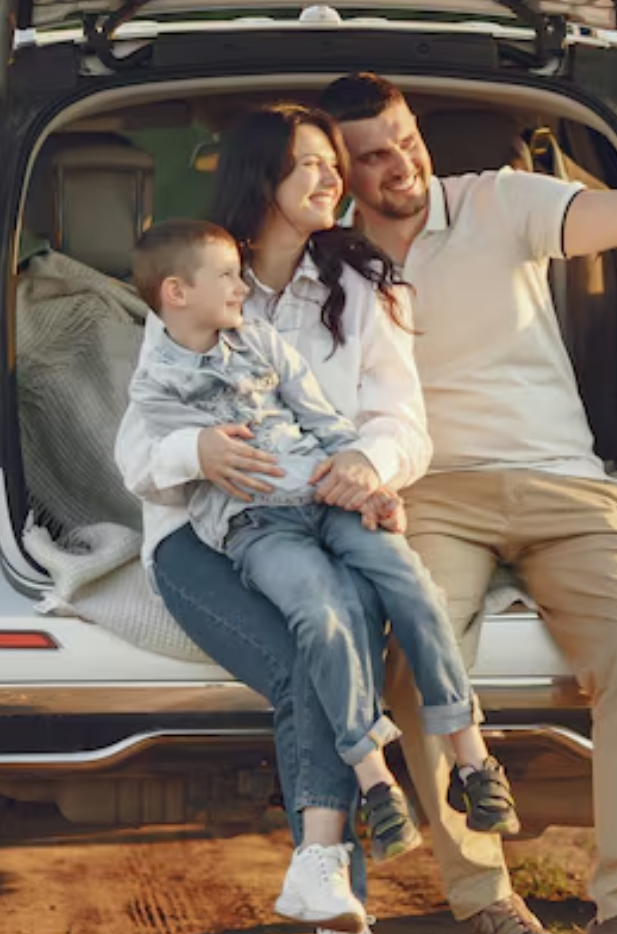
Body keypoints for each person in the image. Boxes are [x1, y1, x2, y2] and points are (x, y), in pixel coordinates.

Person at [115, 104, 558, 934]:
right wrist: (193, 455)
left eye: (332, 164)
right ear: (261, 181)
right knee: (308, 654)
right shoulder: (201, 280)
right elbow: (136, 452)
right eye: (311, 165)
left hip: (328, 504)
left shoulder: (365, 284)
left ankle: (334, 886)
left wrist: (367, 463)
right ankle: (345, 931)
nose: (333, 179)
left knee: (349, 618)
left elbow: (402, 422)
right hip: (208, 534)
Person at [320, 72, 617, 934]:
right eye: (373, 156)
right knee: (422, 662)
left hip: (564, 486)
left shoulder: (500, 200)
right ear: (340, 169)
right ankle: (489, 905)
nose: (401, 166)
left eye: (406, 139)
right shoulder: (329, 259)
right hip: (432, 494)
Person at [127, 218, 521, 874]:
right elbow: (150, 463)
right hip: (257, 526)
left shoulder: (259, 341)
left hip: (327, 496)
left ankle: (474, 761)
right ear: (176, 292)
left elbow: (323, 421)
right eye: (226, 276)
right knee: (322, 615)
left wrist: (368, 482)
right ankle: (375, 782)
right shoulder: (156, 385)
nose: (239, 287)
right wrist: (195, 451)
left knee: (413, 587)